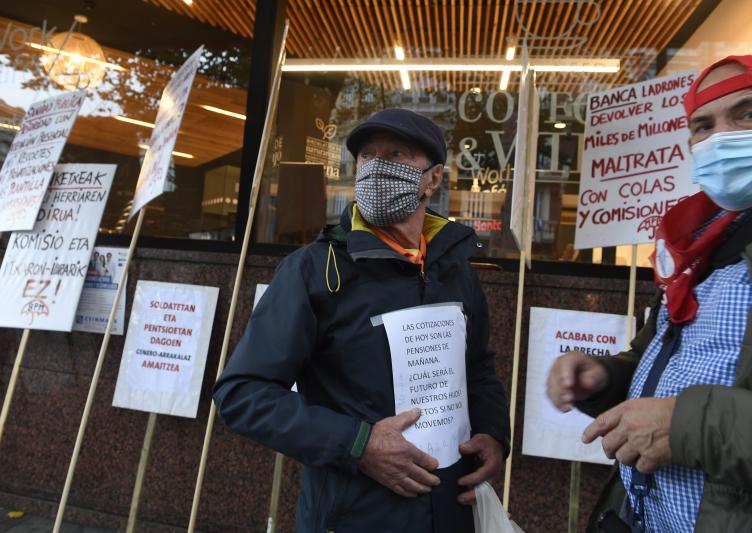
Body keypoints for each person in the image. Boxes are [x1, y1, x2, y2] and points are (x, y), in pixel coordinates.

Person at [214, 108, 510, 532]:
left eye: (395, 155)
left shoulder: (455, 267)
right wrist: (358, 444)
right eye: (367, 157)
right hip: (355, 514)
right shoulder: (314, 270)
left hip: (450, 509)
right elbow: (242, 394)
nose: (376, 168)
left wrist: (494, 433)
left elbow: (478, 368)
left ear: (434, 179)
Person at [547, 55, 752, 532]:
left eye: (746, 114)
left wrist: (684, 426)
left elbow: (682, 414)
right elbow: (662, 358)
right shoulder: (698, 244)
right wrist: (606, 378)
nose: (719, 138)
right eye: (702, 125)